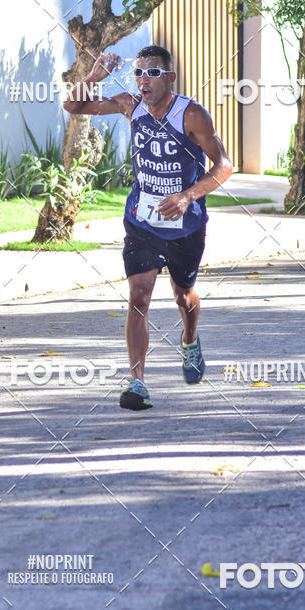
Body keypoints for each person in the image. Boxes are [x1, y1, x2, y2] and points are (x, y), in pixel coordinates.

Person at [64, 44, 233, 410]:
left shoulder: (192, 115)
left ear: (170, 77)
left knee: (183, 295)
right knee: (139, 297)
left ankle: (189, 338)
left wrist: (188, 196)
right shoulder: (130, 104)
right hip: (142, 219)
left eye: (153, 73)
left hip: (185, 223)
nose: (144, 80)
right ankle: (137, 382)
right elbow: (73, 107)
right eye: (140, 72)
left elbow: (224, 166)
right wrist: (93, 77)